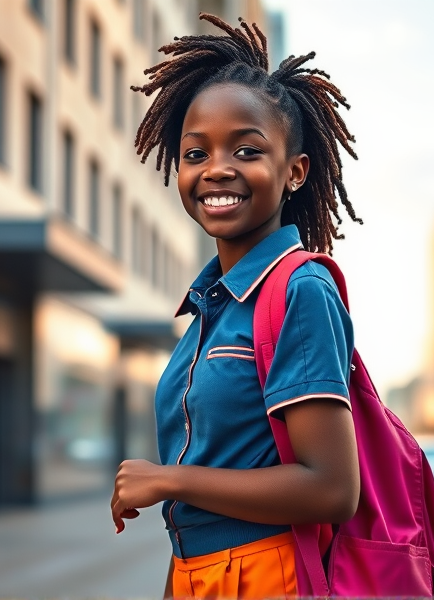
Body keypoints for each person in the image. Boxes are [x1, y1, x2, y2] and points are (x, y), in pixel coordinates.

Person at [111, 13, 362, 599]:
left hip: (266, 576)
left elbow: (331, 489)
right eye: (196, 153)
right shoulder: (210, 306)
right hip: (201, 576)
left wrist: (170, 480)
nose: (216, 168)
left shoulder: (299, 290)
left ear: (295, 171)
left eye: (246, 149)